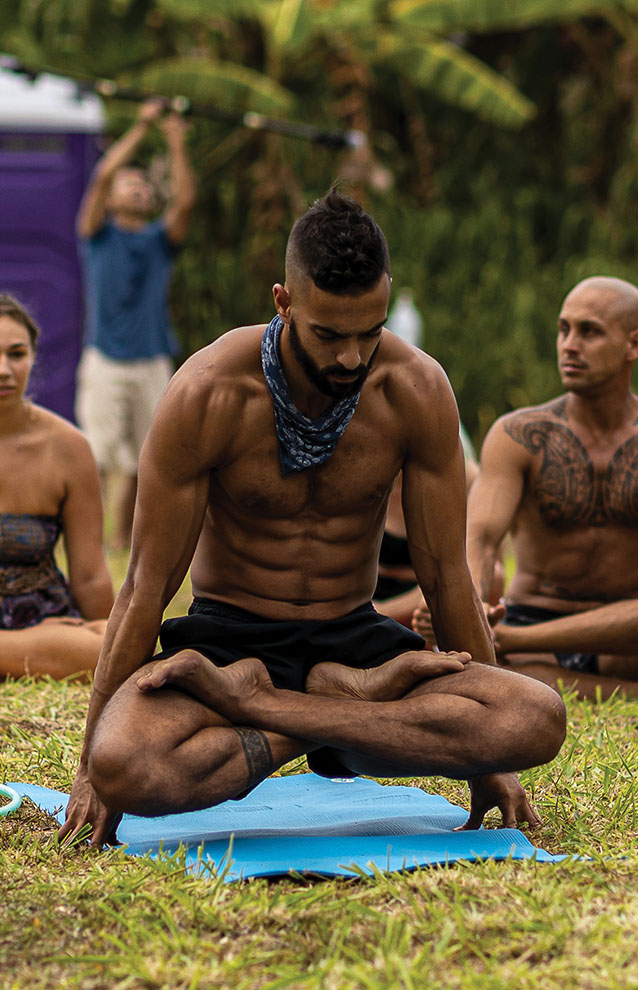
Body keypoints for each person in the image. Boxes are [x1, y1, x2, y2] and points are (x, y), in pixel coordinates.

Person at [59, 189, 565, 847]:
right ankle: (316, 711)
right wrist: (88, 764)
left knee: (533, 719)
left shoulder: (416, 389)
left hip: (354, 642)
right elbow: (145, 589)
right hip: (228, 642)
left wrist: (488, 760)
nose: (352, 358)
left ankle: (274, 709)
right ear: (284, 301)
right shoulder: (208, 392)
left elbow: (445, 576)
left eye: (370, 333)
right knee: (125, 763)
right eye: (329, 334)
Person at [464, 276, 638, 700]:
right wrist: (473, 614)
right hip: (525, 619)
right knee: (467, 643)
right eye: (564, 329)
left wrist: (509, 641)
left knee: (497, 664)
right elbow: (481, 540)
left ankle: (528, 669)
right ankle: (615, 691)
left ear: (633, 345)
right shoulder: (518, 434)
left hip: (613, 641)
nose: (569, 344)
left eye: (589, 331)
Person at [75, 98, 196, 550]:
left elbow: (184, 200)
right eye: (130, 184)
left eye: (144, 185)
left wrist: (175, 141)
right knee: (101, 456)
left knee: (150, 458)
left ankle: (128, 541)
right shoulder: (97, 233)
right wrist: (142, 129)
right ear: (110, 200)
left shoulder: (159, 242)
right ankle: (96, 540)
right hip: (104, 356)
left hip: (151, 359)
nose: (138, 188)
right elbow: (103, 175)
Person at [0, 295, 114, 679]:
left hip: (44, 623)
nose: (4, 370)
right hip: (45, 644)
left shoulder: (68, 447)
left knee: (109, 649)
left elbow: (90, 574)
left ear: (33, 357)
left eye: (16, 354)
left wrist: (114, 645)